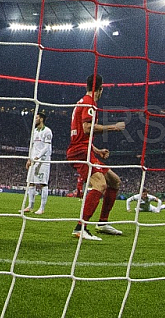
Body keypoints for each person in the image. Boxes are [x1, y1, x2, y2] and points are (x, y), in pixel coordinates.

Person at [67, 73, 126, 241]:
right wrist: (114, 127)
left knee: (114, 181)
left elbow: (80, 133)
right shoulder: (89, 103)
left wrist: (97, 150)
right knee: (100, 184)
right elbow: (86, 128)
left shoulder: (82, 102)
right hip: (79, 152)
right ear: (100, 89)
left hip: (84, 149)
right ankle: (81, 227)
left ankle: (102, 223)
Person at [23, 111, 53, 215]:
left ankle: (42, 208)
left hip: (43, 160)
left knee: (43, 183)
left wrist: (37, 157)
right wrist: (29, 159)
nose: (34, 119)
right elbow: (32, 146)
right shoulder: (34, 131)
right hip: (33, 160)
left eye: (36, 118)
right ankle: (30, 206)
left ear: (41, 119)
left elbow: (46, 147)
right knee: (30, 183)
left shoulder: (47, 131)